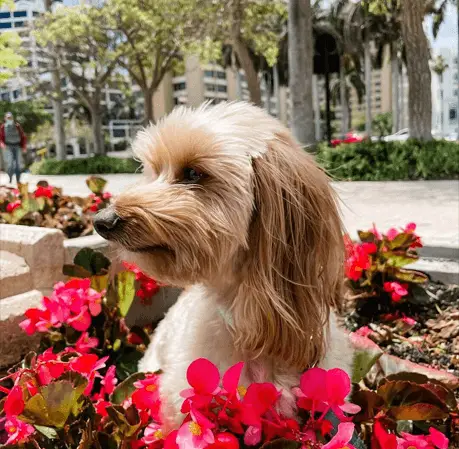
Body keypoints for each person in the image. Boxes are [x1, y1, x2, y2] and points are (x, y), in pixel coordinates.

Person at [0, 112, 27, 184]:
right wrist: (2, 145)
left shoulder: (17, 126)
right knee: (10, 164)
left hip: (17, 146)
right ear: (5, 118)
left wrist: (24, 146)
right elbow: (1, 138)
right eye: (8, 118)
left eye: (10, 117)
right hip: (8, 146)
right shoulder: (3, 126)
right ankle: (10, 178)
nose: (9, 119)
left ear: (12, 118)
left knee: (18, 164)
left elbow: (23, 136)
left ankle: (18, 180)